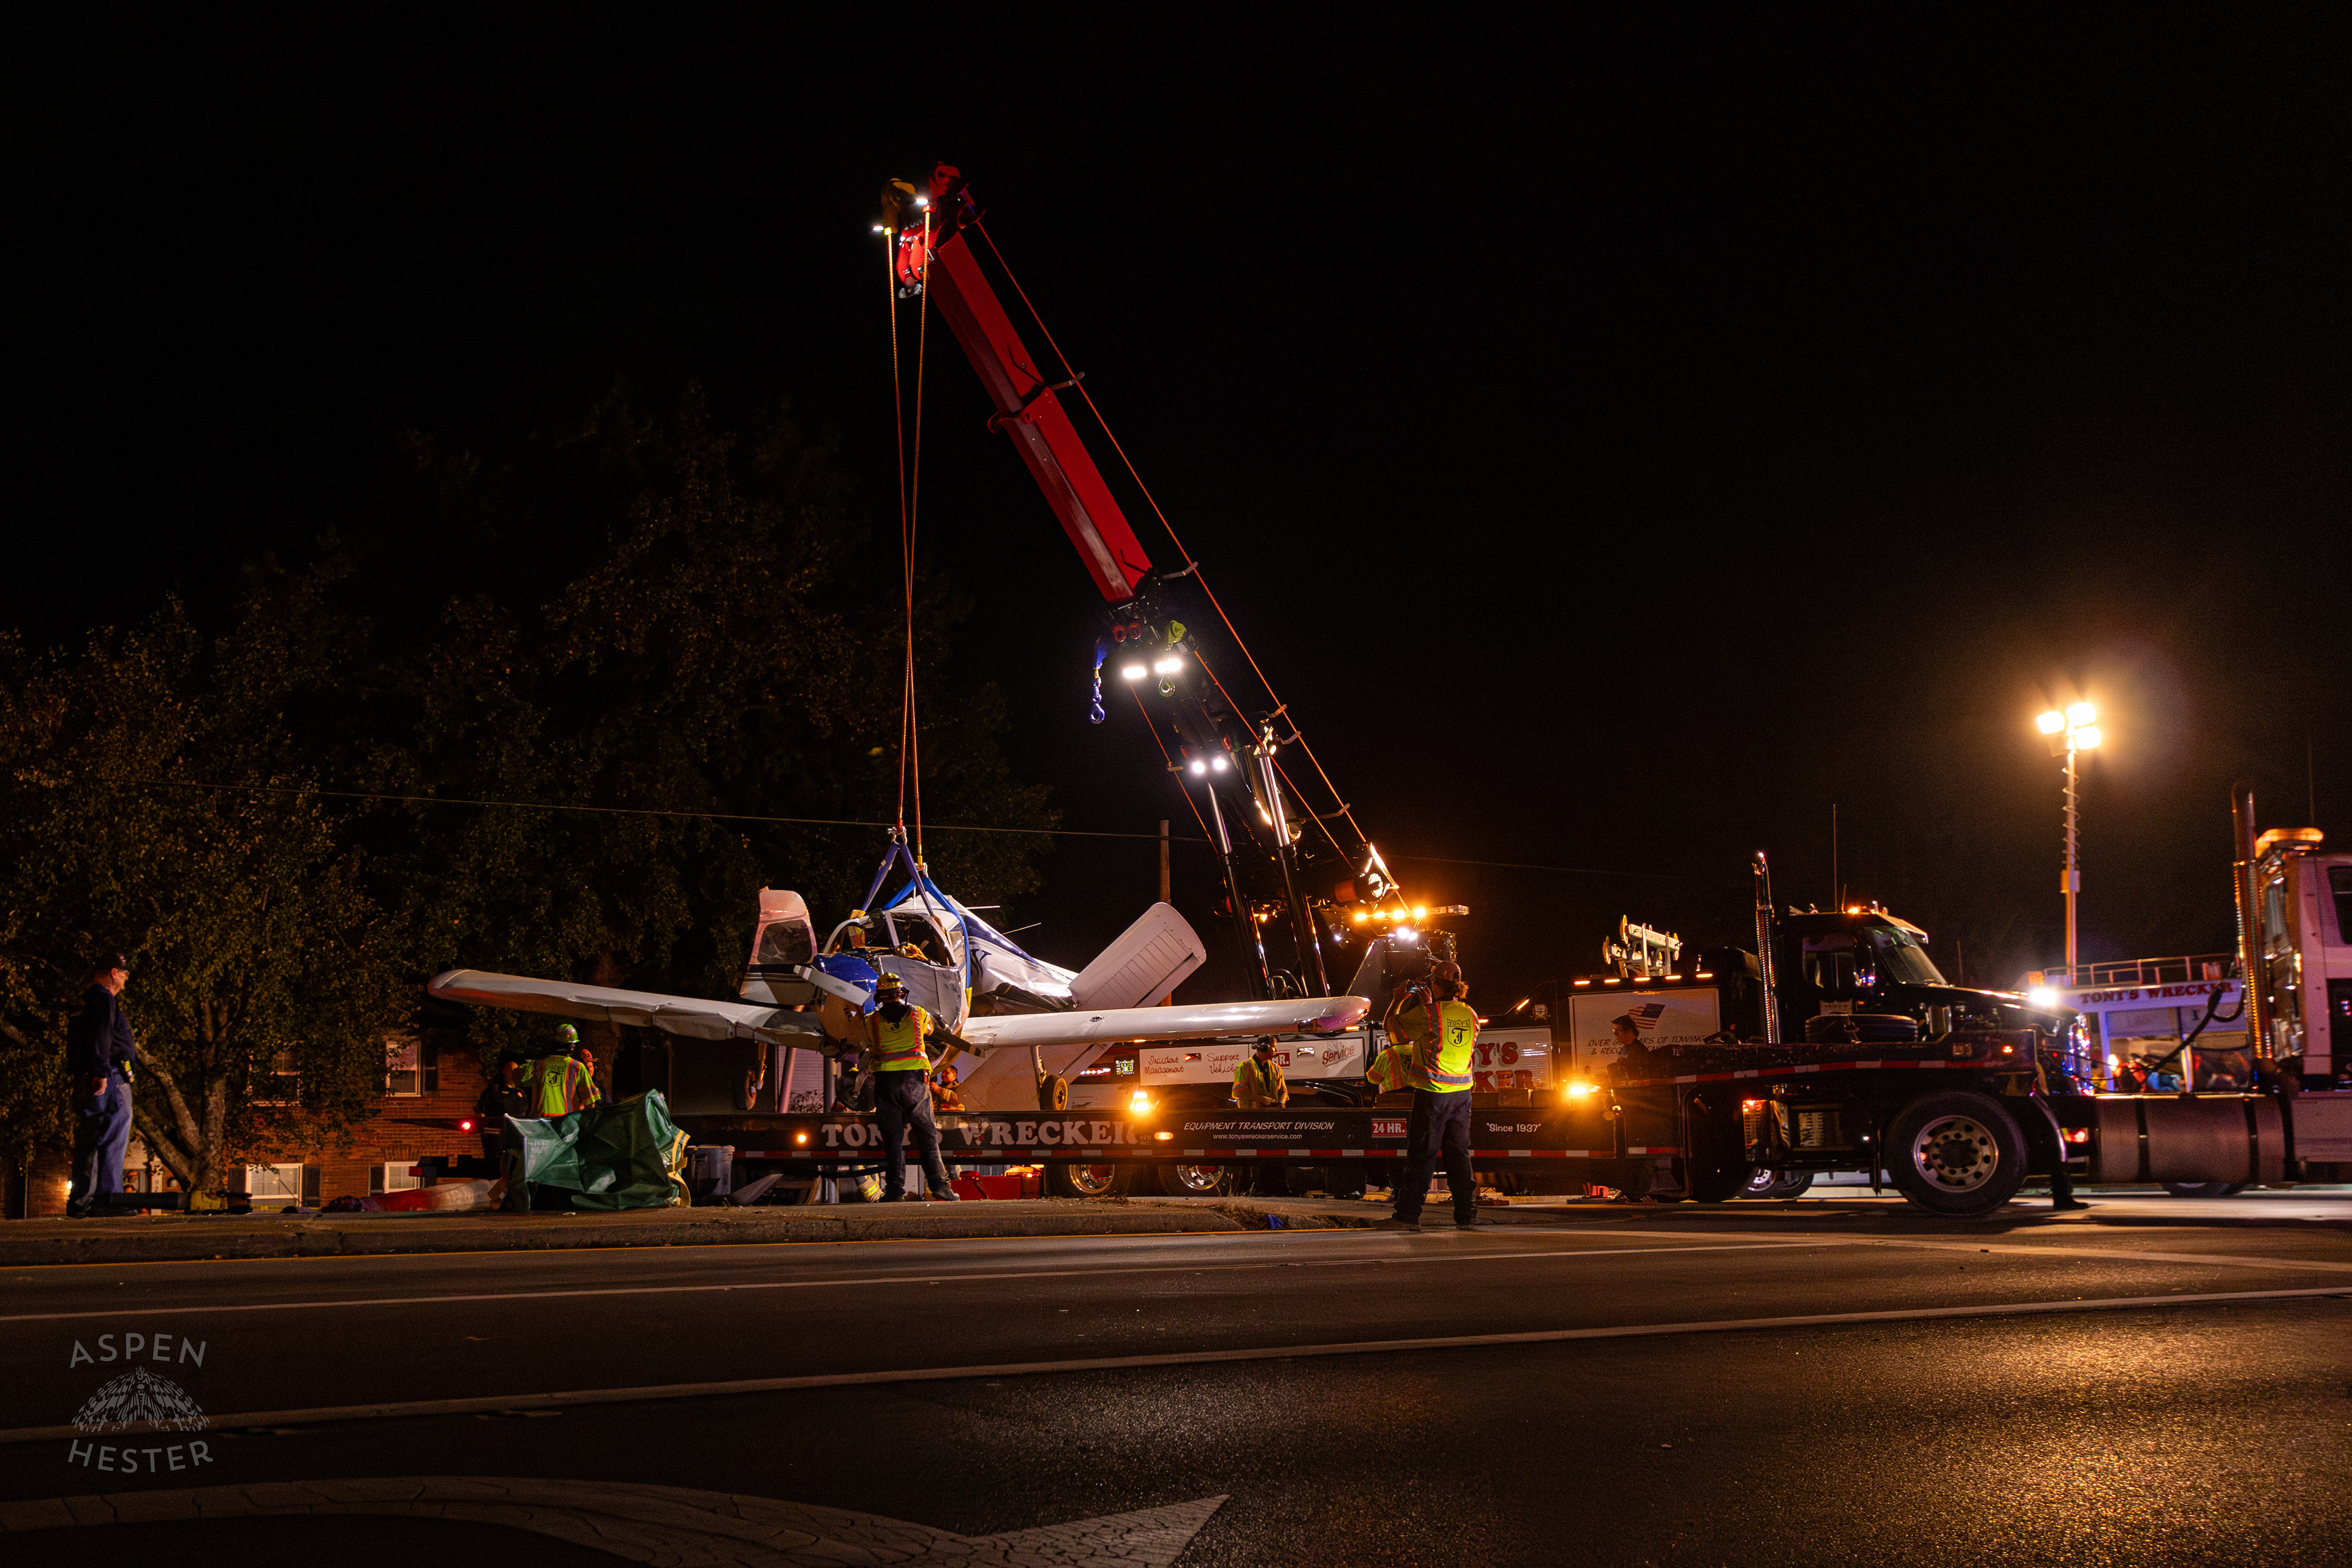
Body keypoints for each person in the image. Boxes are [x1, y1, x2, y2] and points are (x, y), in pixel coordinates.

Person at [1380, 962, 1481, 1231]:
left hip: (1433, 1094)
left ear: (1436, 983)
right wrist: (1430, 1005)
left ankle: (1407, 1217)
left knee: (1422, 1156)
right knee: (1459, 1156)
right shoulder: (1471, 1013)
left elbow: (1394, 1032)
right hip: (1462, 1095)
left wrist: (1398, 1000)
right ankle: (1466, 1216)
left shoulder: (1428, 1014)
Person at [862, 971, 959, 1202]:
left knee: (892, 1140)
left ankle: (895, 1191)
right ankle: (940, 1186)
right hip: (914, 1081)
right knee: (927, 1135)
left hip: (886, 1083)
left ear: (880, 996)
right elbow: (931, 1031)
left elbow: (870, 1045)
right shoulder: (918, 1014)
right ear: (900, 993)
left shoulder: (871, 1021)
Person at [66, 952, 139, 1218]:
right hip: (111, 1075)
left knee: (92, 1134)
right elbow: (102, 1034)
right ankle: (107, 1199)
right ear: (113, 972)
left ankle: (84, 1199)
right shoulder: (103, 998)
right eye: (124, 973)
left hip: (97, 1072)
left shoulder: (90, 999)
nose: (126, 978)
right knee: (111, 1136)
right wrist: (100, 1071)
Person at [1232, 1036, 1289, 1197]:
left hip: (1272, 1120)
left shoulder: (1276, 1068)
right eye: (1274, 1046)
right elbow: (1238, 1092)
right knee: (1253, 1157)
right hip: (1251, 1120)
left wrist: (1281, 1102)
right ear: (1264, 1048)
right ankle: (1253, 1189)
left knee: (1274, 1156)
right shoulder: (1245, 1066)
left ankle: (1274, 1189)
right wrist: (1262, 1099)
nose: (1276, 1050)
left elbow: (1284, 1091)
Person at [475, 1049, 533, 1171]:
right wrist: (484, 1129)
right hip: (494, 1136)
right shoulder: (494, 1090)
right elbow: (480, 1108)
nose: (514, 1074)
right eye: (511, 1071)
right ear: (504, 1072)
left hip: (515, 1137)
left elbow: (527, 1115)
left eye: (516, 1072)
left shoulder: (522, 1094)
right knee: (493, 1165)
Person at [531, 1025, 602, 1116]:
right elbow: (590, 1104)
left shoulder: (537, 1065)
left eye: (591, 1065)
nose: (589, 1068)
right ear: (572, 1048)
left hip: (540, 1121)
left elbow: (517, 1077)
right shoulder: (578, 1067)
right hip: (566, 1122)